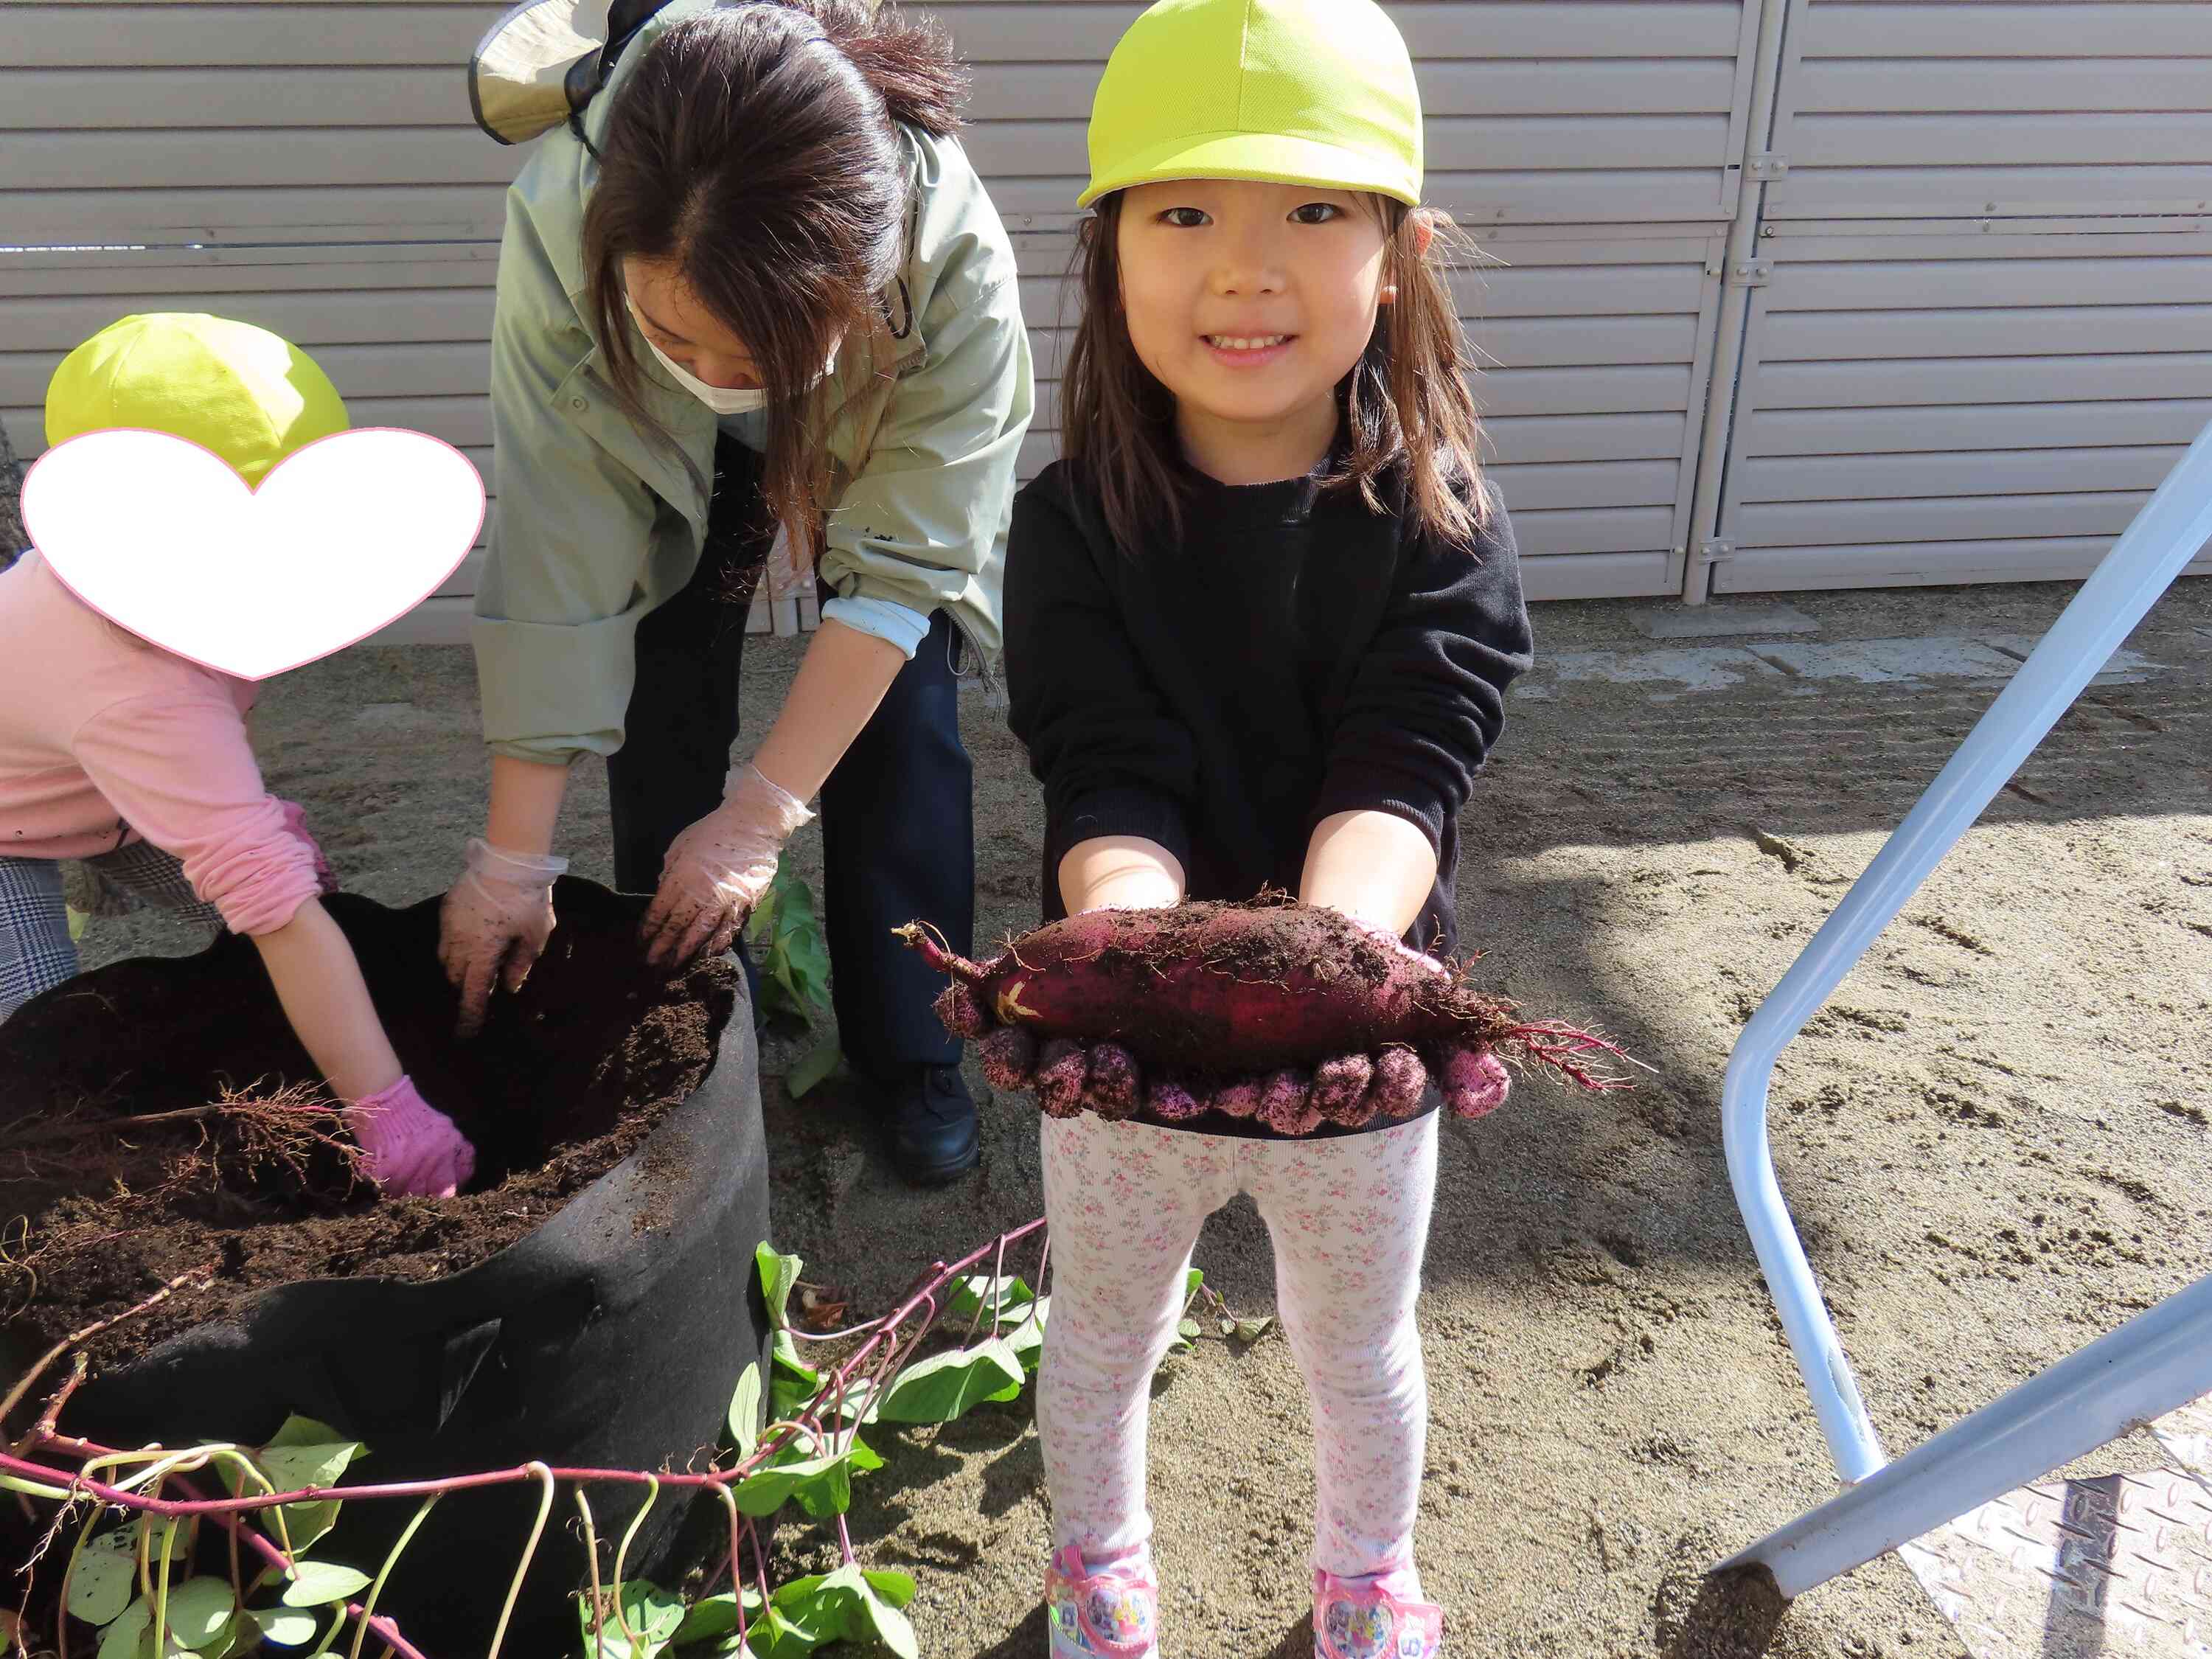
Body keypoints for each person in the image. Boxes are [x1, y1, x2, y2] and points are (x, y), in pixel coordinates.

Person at [1002, 2, 1537, 1653]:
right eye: (1184, 213)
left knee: (1357, 1345)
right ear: (1108, 252)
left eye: (1311, 210)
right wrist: (1144, 959)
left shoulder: (1441, 517)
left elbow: (1410, 759)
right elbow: (1107, 769)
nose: (1244, 269)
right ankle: (1098, 1564)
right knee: (1103, 1332)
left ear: (1401, 253)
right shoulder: (1068, 524)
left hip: (1357, 1046)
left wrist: (1321, 967)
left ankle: (1367, 1577)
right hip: (1128, 1050)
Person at [440, 0, 1032, 1185]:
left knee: (903, 712)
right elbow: (562, 544)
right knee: (661, 683)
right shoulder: (562, 213)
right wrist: (513, 859)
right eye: (677, 335)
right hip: (663, 428)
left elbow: (909, 561)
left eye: (747, 361)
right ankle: (696, 1038)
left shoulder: (947, 252)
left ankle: (913, 1049)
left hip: (861, 389)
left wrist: (761, 817)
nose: (717, 377)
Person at [0, 312, 476, 1200]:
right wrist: (388, 1117)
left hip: (102, 796)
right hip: (10, 828)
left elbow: (203, 730)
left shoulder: (165, 594)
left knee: (303, 912)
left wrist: (258, 830)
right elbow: (270, 903)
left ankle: (319, 1056)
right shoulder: (129, 684)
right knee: (33, 1052)